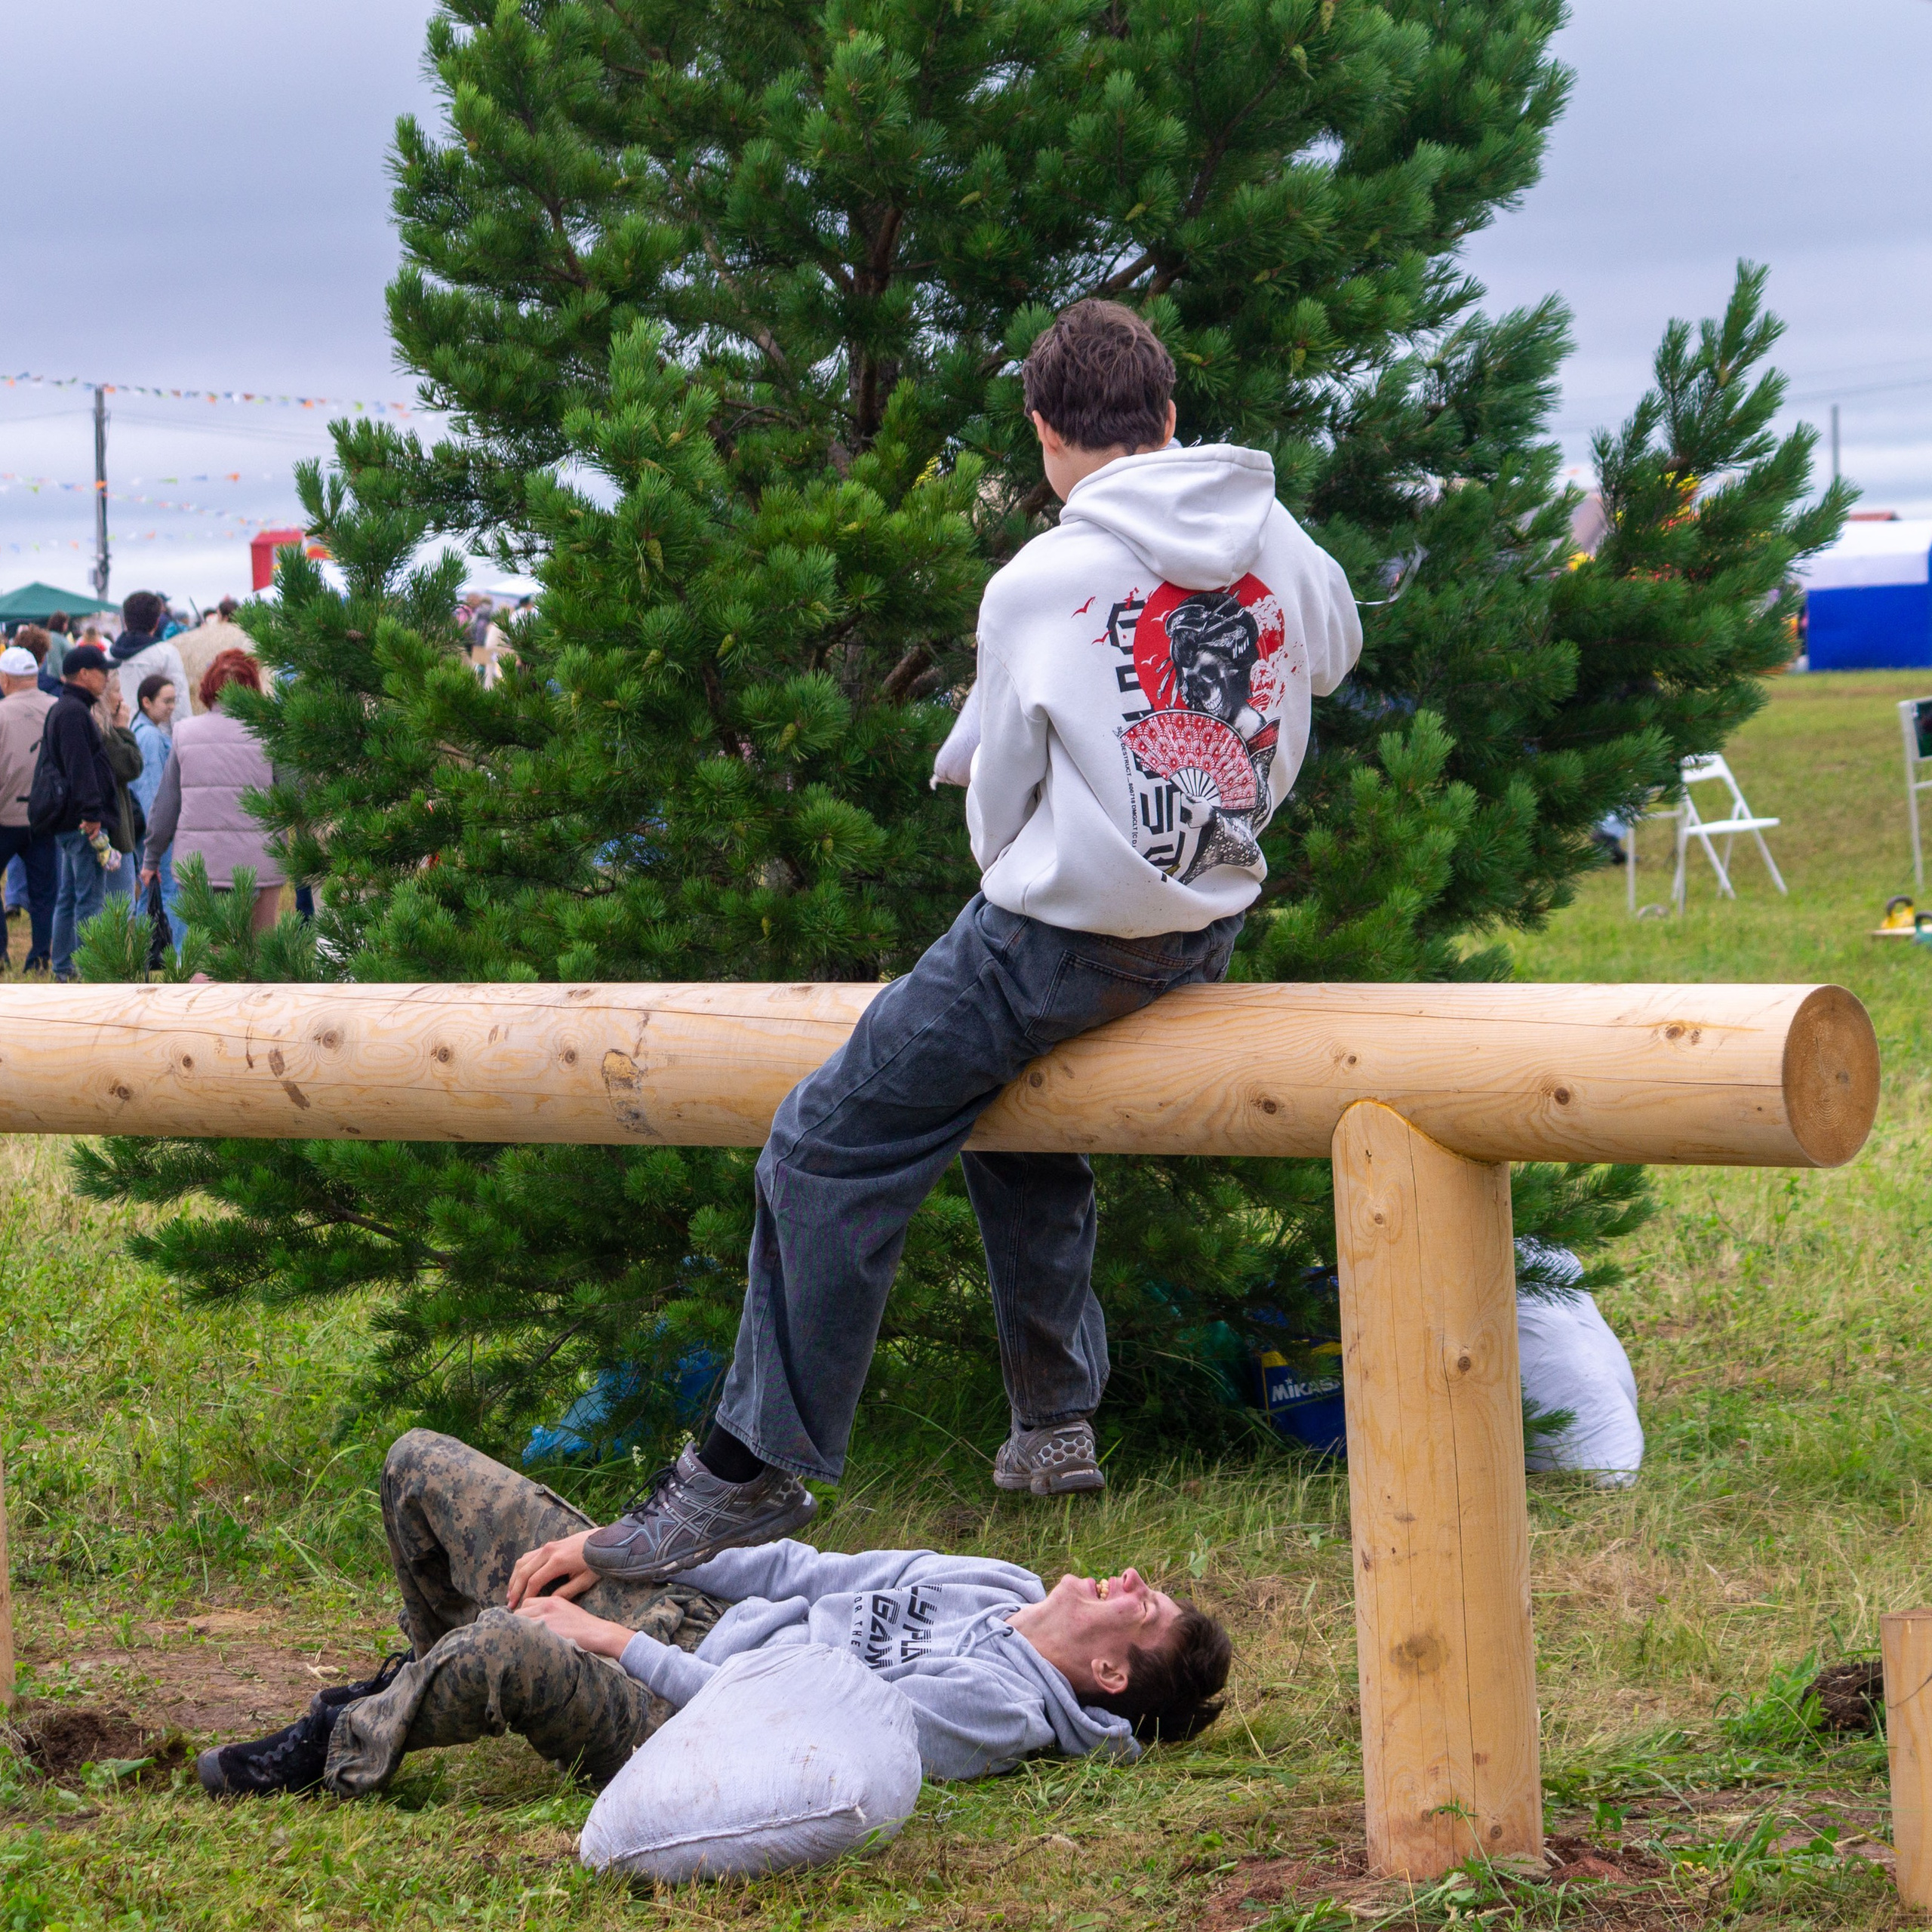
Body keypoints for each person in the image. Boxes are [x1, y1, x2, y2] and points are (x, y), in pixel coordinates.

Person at [574, 300, 1363, 1582]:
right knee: (1012, 1116)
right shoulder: (1272, 529)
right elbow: (1332, 653)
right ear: (1168, 415)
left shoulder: (1040, 579)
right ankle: (1054, 1421)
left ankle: (751, 1470)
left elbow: (1000, 791)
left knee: (824, 1144)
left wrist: (1026, 862)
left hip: (1060, 939)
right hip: (1204, 922)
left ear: (1045, 430)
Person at [195, 1429, 1231, 1799]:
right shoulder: (1001, 1582)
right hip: (684, 1609)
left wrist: (611, 1641)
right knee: (419, 1464)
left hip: (682, 1716)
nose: (1130, 1577)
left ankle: (335, 1742)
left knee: (511, 1647)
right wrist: (617, 1553)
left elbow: (794, 1717)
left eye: (1144, 1606)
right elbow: (805, 1568)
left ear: (1109, 1675)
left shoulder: (998, 1711)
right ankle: (427, 1675)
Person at [140, 647, 283, 934]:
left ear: (207, 688)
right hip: (260, 864)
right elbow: (295, 799)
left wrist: (151, 858)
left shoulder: (185, 733)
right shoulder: (271, 735)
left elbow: (166, 804)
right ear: (254, 688)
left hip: (200, 868)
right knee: (262, 950)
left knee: (207, 948)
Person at [38, 641, 122, 981]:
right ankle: (89, 973)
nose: (107, 678)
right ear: (84, 674)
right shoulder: (74, 712)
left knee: (69, 897)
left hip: (70, 821)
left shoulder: (65, 708)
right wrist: (92, 814)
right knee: (89, 900)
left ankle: (63, 969)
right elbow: (80, 767)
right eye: (102, 672)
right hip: (83, 822)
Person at [0, 643, 59, 972]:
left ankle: (0, 953)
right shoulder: (57, 709)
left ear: (5, 679)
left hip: (4, 816)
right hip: (46, 817)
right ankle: (40, 957)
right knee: (44, 891)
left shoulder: (1, 713)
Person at [129, 672, 184, 949]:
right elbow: (152, 791)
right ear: (146, 702)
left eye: (174, 701)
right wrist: (161, 834)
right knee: (170, 890)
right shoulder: (150, 737)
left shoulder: (142, 730)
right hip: (157, 831)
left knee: (150, 890)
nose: (171, 707)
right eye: (166, 701)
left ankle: (143, 952)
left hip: (148, 830)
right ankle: (178, 954)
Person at [108, 590, 192, 719]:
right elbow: (180, 700)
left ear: (125, 621)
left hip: (118, 728)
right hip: (155, 729)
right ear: (157, 622)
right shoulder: (166, 654)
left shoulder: (108, 656)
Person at [174, 598, 256, 715]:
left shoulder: (210, 636)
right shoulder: (248, 634)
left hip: (214, 695)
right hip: (246, 694)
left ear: (224, 617)